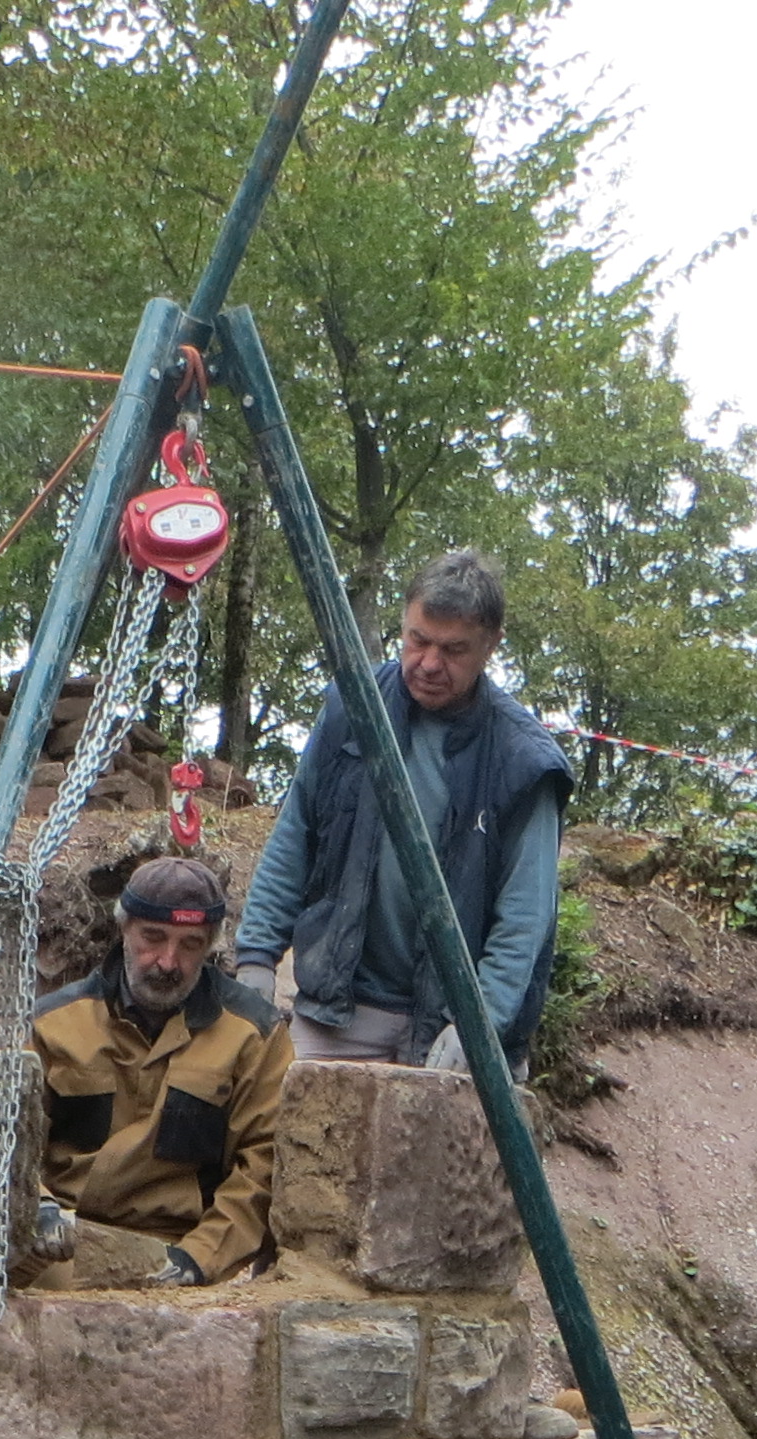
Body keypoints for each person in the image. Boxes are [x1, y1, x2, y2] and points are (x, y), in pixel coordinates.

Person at [232, 546, 570, 1068]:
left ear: (491, 645)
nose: (429, 664)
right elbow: (295, 835)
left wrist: (479, 1024)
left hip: (455, 1028)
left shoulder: (523, 761)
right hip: (340, 1013)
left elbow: (525, 914)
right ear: (404, 621)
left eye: (453, 650)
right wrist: (256, 955)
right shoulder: (352, 708)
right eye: (418, 640)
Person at [28, 853, 294, 1285]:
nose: (168, 962)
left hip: (176, 1247)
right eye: (153, 938)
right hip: (63, 1239)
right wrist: (38, 1208)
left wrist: (197, 1260)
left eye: (190, 944)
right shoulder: (51, 1023)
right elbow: (5, 1144)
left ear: (210, 945)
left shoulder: (254, 1035)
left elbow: (263, 1168)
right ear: (124, 929)